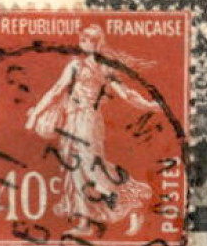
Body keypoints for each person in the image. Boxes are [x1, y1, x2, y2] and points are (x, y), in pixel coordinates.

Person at [24, 24, 161, 235]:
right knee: (74, 170)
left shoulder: (104, 69)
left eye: (91, 38)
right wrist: (35, 114)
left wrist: (149, 105)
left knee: (91, 165)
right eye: (84, 37)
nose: (85, 40)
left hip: (88, 120)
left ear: (98, 43)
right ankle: (83, 223)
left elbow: (125, 93)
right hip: (71, 120)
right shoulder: (75, 66)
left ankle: (132, 200)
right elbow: (56, 91)